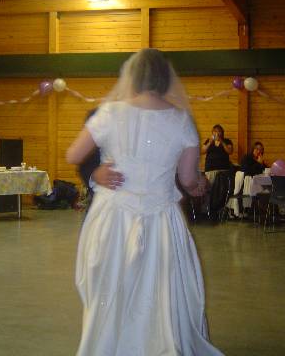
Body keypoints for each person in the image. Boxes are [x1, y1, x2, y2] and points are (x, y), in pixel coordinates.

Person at [66, 48, 223, 356]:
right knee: (161, 288)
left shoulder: (109, 113)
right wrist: (197, 185)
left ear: (132, 77)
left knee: (113, 286)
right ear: (165, 79)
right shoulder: (182, 120)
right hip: (161, 218)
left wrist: (97, 171)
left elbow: (73, 154)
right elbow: (187, 178)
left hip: (113, 217)